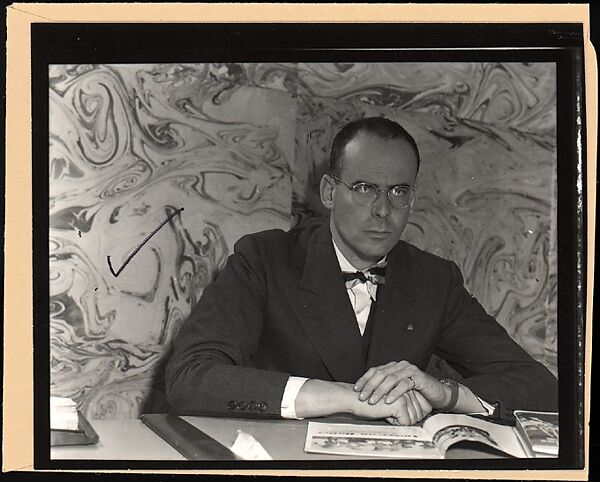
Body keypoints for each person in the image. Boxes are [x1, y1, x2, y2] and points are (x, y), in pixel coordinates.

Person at [165, 117, 558, 426]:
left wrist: (446, 393)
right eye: (366, 188)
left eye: (399, 191)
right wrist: (346, 397)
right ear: (329, 192)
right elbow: (190, 377)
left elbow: (540, 388)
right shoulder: (264, 258)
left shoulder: (434, 279)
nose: (383, 210)